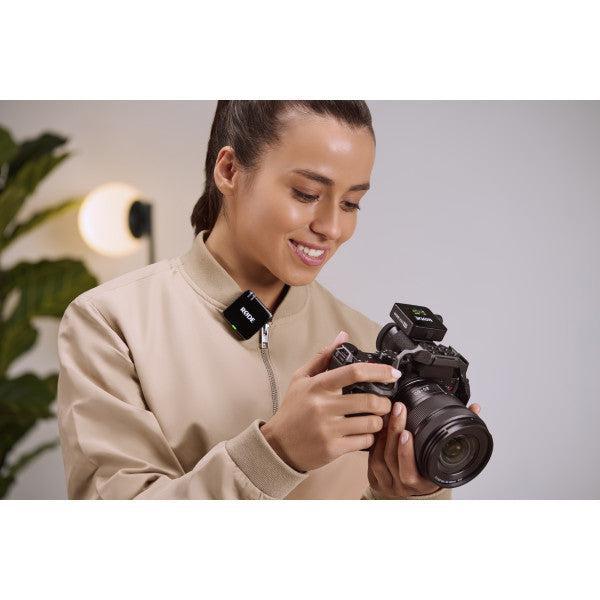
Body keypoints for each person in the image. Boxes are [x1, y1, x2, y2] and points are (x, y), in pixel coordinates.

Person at [57, 100, 481, 499]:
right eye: (307, 194)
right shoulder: (110, 324)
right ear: (229, 170)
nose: (332, 227)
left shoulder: (375, 346)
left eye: (352, 203)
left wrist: (401, 501)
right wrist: (276, 452)